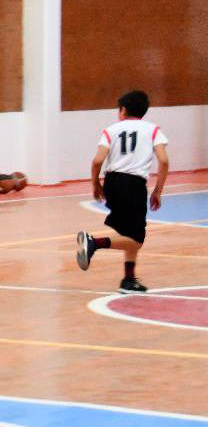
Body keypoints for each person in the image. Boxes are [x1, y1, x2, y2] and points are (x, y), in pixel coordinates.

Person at [76, 90, 169, 293]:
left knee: (130, 232)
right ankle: (94, 242)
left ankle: (128, 280)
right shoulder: (153, 130)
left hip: (113, 181)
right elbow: (163, 160)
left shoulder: (111, 130)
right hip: (134, 184)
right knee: (136, 239)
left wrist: (95, 184)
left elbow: (97, 161)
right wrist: (157, 191)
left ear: (123, 110)